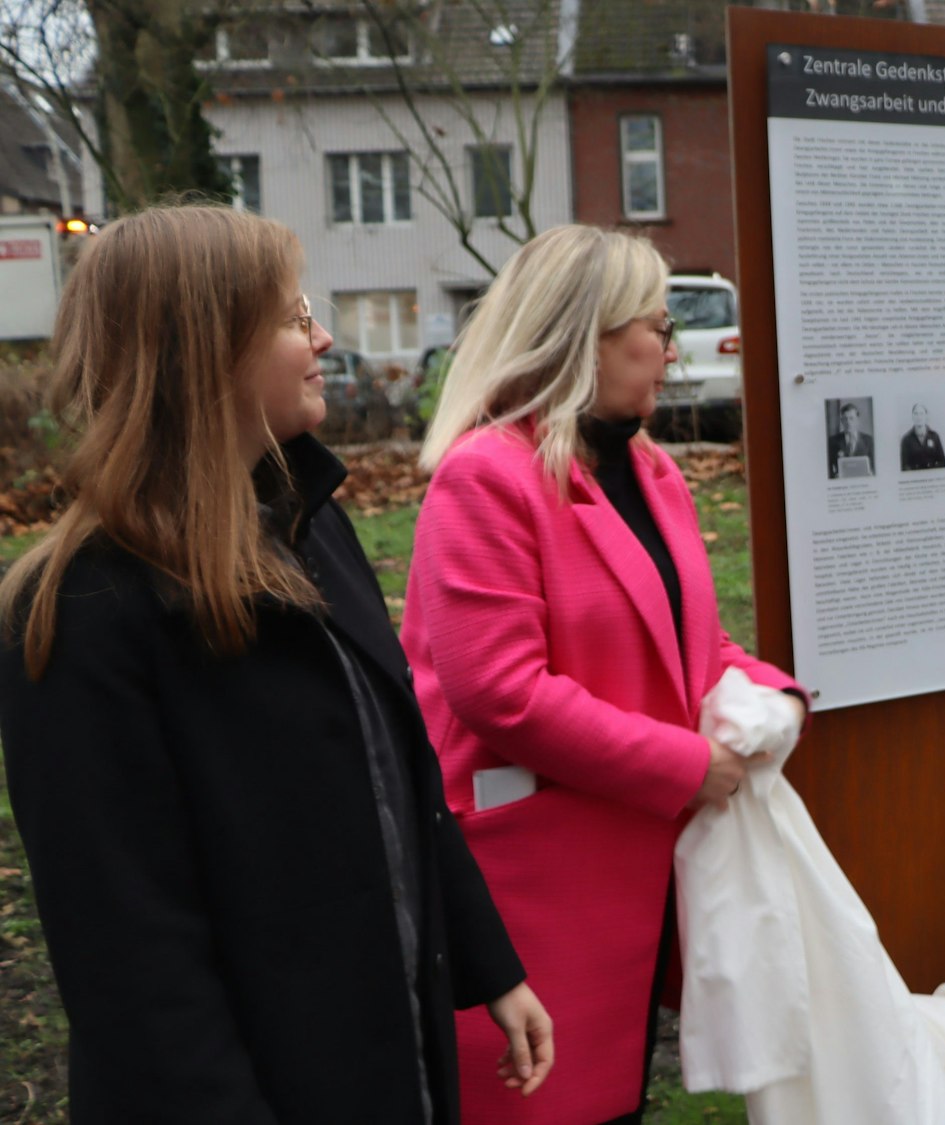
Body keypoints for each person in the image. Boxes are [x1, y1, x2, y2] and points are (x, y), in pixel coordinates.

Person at [0, 205, 552, 1124]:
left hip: (386, 1053)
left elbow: (400, 769)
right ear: (205, 350)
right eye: (294, 318)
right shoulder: (81, 613)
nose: (323, 336)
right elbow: (133, 964)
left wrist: (490, 965)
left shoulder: (311, 522)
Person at [405, 225, 807, 1125]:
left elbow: (686, 643)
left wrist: (774, 692)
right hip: (532, 886)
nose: (671, 351)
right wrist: (685, 765)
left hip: (627, 869)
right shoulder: (486, 476)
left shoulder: (649, 467)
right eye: (657, 328)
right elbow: (500, 690)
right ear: (586, 334)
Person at [828, 400, 875, 478]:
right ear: (842, 421)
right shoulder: (832, 441)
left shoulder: (869, 440)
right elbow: (828, 468)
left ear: (857, 420)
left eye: (851, 418)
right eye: (845, 419)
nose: (848, 422)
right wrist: (834, 478)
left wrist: (872, 474)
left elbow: (874, 466)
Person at [900, 403, 945, 470]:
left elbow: (942, 462)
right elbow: (904, 465)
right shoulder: (906, 439)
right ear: (912, 416)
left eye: (921, 413)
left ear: (926, 416)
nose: (919, 417)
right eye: (916, 414)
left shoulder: (935, 436)